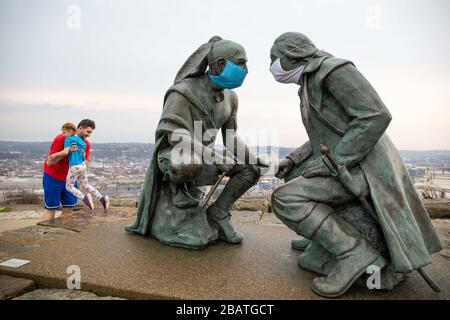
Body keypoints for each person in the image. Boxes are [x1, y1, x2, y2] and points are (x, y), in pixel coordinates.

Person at [269, 32, 442, 298]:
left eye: (274, 59)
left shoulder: (334, 70)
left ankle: (353, 253)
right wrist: (292, 159)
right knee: (293, 173)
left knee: (285, 198)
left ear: (292, 55)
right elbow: (322, 134)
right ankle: (325, 242)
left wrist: (336, 161)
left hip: (364, 170)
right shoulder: (308, 82)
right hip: (346, 163)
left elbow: (376, 115)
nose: (273, 66)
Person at [126, 36, 268, 249]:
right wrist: (213, 156)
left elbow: (230, 137)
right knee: (189, 163)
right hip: (174, 155)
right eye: (241, 62)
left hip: (204, 155)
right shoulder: (182, 91)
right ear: (220, 64)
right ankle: (178, 199)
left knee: (251, 169)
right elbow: (174, 133)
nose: (246, 69)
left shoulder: (231, 98)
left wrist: (253, 159)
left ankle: (219, 214)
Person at [41, 119, 96, 221]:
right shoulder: (62, 139)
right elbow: (49, 163)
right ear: (80, 128)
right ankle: (46, 234)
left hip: (70, 178)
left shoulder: (86, 144)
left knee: (69, 207)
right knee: (51, 208)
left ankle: (64, 233)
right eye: (88, 132)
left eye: (91, 132)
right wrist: (66, 152)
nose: (89, 135)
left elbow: (85, 163)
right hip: (54, 177)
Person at [47, 121, 108, 211]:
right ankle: (101, 198)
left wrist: (54, 155)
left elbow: (65, 152)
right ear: (79, 129)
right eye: (88, 132)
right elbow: (84, 157)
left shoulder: (69, 140)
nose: (63, 134)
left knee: (69, 187)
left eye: (64, 132)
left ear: (70, 132)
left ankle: (85, 198)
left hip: (75, 166)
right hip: (83, 165)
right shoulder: (82, 142)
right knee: (86, 185)